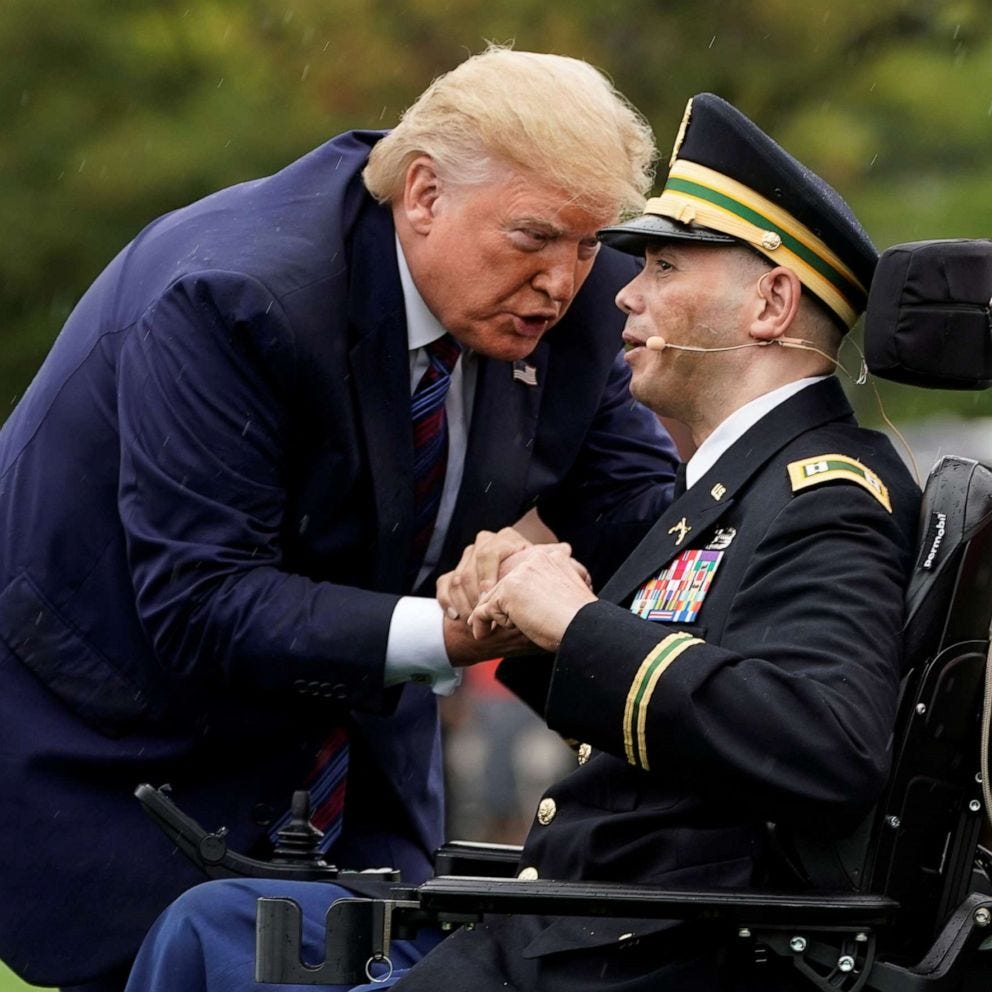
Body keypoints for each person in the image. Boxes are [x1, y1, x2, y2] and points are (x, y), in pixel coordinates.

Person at [0, 47, 679, 992]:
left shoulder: (579, 307)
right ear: (425, 194)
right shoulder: (235, 294)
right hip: (124, 742)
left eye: (589, 244)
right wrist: (450, 628)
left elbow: (642, 526)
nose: (564, 283)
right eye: (535, 238)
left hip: (353, 757)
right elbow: (204, 600)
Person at [386, 92, 923, 990]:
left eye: (667, 265)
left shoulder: (824, 494)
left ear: (771, 303)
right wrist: (514, 611)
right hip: (591, 940)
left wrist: (576, 621)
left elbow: (823, 744)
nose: (625, 293)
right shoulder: (739, 482)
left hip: (637, 963)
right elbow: (679, 718)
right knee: (216, 924)